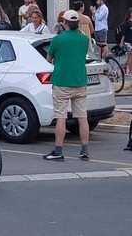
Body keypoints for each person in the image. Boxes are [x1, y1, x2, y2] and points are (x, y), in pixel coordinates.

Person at [43, 10, 90, 162]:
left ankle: (58, 150)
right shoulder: (84, 40)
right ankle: (84, 150)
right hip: (80, 81)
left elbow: (48, 59)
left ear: (64, 22)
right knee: (82, 117)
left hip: (62, 82)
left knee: (61, 117)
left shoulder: (58, 40)